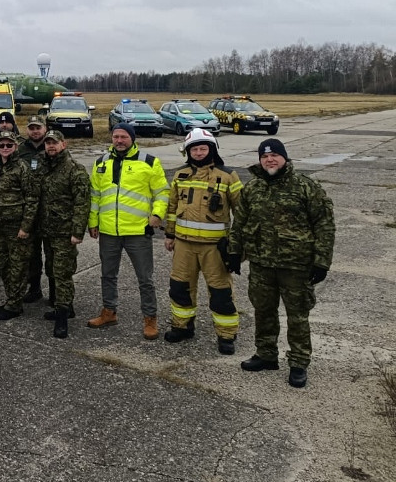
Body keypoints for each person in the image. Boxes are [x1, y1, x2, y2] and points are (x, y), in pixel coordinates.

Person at [229, 139, 335, 388]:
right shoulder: (252, 188)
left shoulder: (305, 187)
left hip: (295, 266)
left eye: (275, 155)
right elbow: (239, 223)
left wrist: (322, 262)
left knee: (297, 316)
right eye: (265, 156)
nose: (270, 160)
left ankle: (298, 363)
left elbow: (324, 224)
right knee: (263, 311)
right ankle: (266, 354)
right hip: (261, 263)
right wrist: (234, 252)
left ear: (284, 158)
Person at [163, 129, 244, 353]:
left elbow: (242, 214)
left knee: (220, 292)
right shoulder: (180, 175)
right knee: (180, 287)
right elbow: (172, 208)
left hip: (215, 247)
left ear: (212, 149)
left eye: (203, 148)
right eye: (194, 149)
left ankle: (226, 335)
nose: (198, 153)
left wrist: (236, 246)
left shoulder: (228, 176)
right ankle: (182, 327)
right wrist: (170, 235)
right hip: (183, 245)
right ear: (188, 152)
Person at [86, 123, 168, 340]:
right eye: (116, 137)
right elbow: (95, 196)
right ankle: (109, 312)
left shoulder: (148, 162)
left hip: (138, 231)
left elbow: (162, 192)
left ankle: (150, 318)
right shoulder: (101, 162)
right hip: (108, 231)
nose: (119, 141)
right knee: (108, 275)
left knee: (145, 278)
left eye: (124, 137)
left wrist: (157, 214)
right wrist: (92, 222)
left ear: (132, 139)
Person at [35, 130, 90, 338]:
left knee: (62, 274)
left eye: (54, 143)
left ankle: (62, 318)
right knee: (51, 269)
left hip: (65, 233)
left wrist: (77, 232)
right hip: (47, 231)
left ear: (63, 145)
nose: (51, 146)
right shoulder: (43, 166)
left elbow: (82, 203)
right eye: (48, 143)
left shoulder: (74, 169)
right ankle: (68, 307)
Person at [0, 130, 39, 320]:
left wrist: (26, 226)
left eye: (9, 145)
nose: (4, 148)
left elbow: (32, 199)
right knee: (3, 264)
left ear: (15, 146)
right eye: (1, 145)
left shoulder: (22, 167)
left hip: (16, 226)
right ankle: (11, 298)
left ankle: (15, 304)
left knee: (18, 266)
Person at [17, 115, 49, 303]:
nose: (35, 131)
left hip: (49, 210)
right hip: (28, 211)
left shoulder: (52, 146)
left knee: (53, 255)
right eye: (32, 128)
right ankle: (34, 288)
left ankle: (56, 293)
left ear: (45, 128)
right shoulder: (20, 150)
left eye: (38, 127)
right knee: (31, 254)